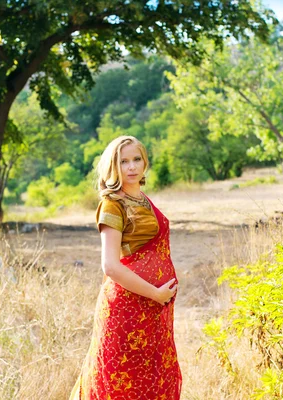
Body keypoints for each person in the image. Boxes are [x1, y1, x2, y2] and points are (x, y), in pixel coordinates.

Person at [69, 136, 182, 400]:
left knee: (152, 379)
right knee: (123, 383)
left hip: (152, 310)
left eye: (136, 159)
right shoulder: (112, 204)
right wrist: (155, 293)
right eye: (123, 161)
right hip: (127, 309)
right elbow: (110, 266)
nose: (131, 167)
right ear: (113, 165)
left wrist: (159, 296)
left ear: (145, 162)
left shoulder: (142, 198)